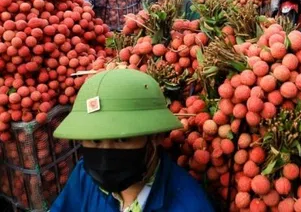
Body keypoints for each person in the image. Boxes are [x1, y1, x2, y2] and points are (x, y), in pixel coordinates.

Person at [50, 69, 215, 212]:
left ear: (156, 137)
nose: (105, 157)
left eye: (122, 139)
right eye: (95, 140)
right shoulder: (84, 175)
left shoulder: (189, 205)